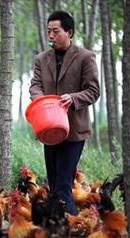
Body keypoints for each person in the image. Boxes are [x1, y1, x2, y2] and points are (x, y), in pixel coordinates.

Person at [29, 11, 100, 215]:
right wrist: (41, 100)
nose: (50, 35)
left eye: (55, 31)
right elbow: (35, 85)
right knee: (53, 184)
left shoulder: (85, 57)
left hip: (74, 131)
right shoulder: (41, 59)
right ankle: (60, 231)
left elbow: (93, 91)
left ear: (69, 32)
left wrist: (73, 99)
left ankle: (70, 233)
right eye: (48, 31)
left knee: (63, 184)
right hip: (48, 129)